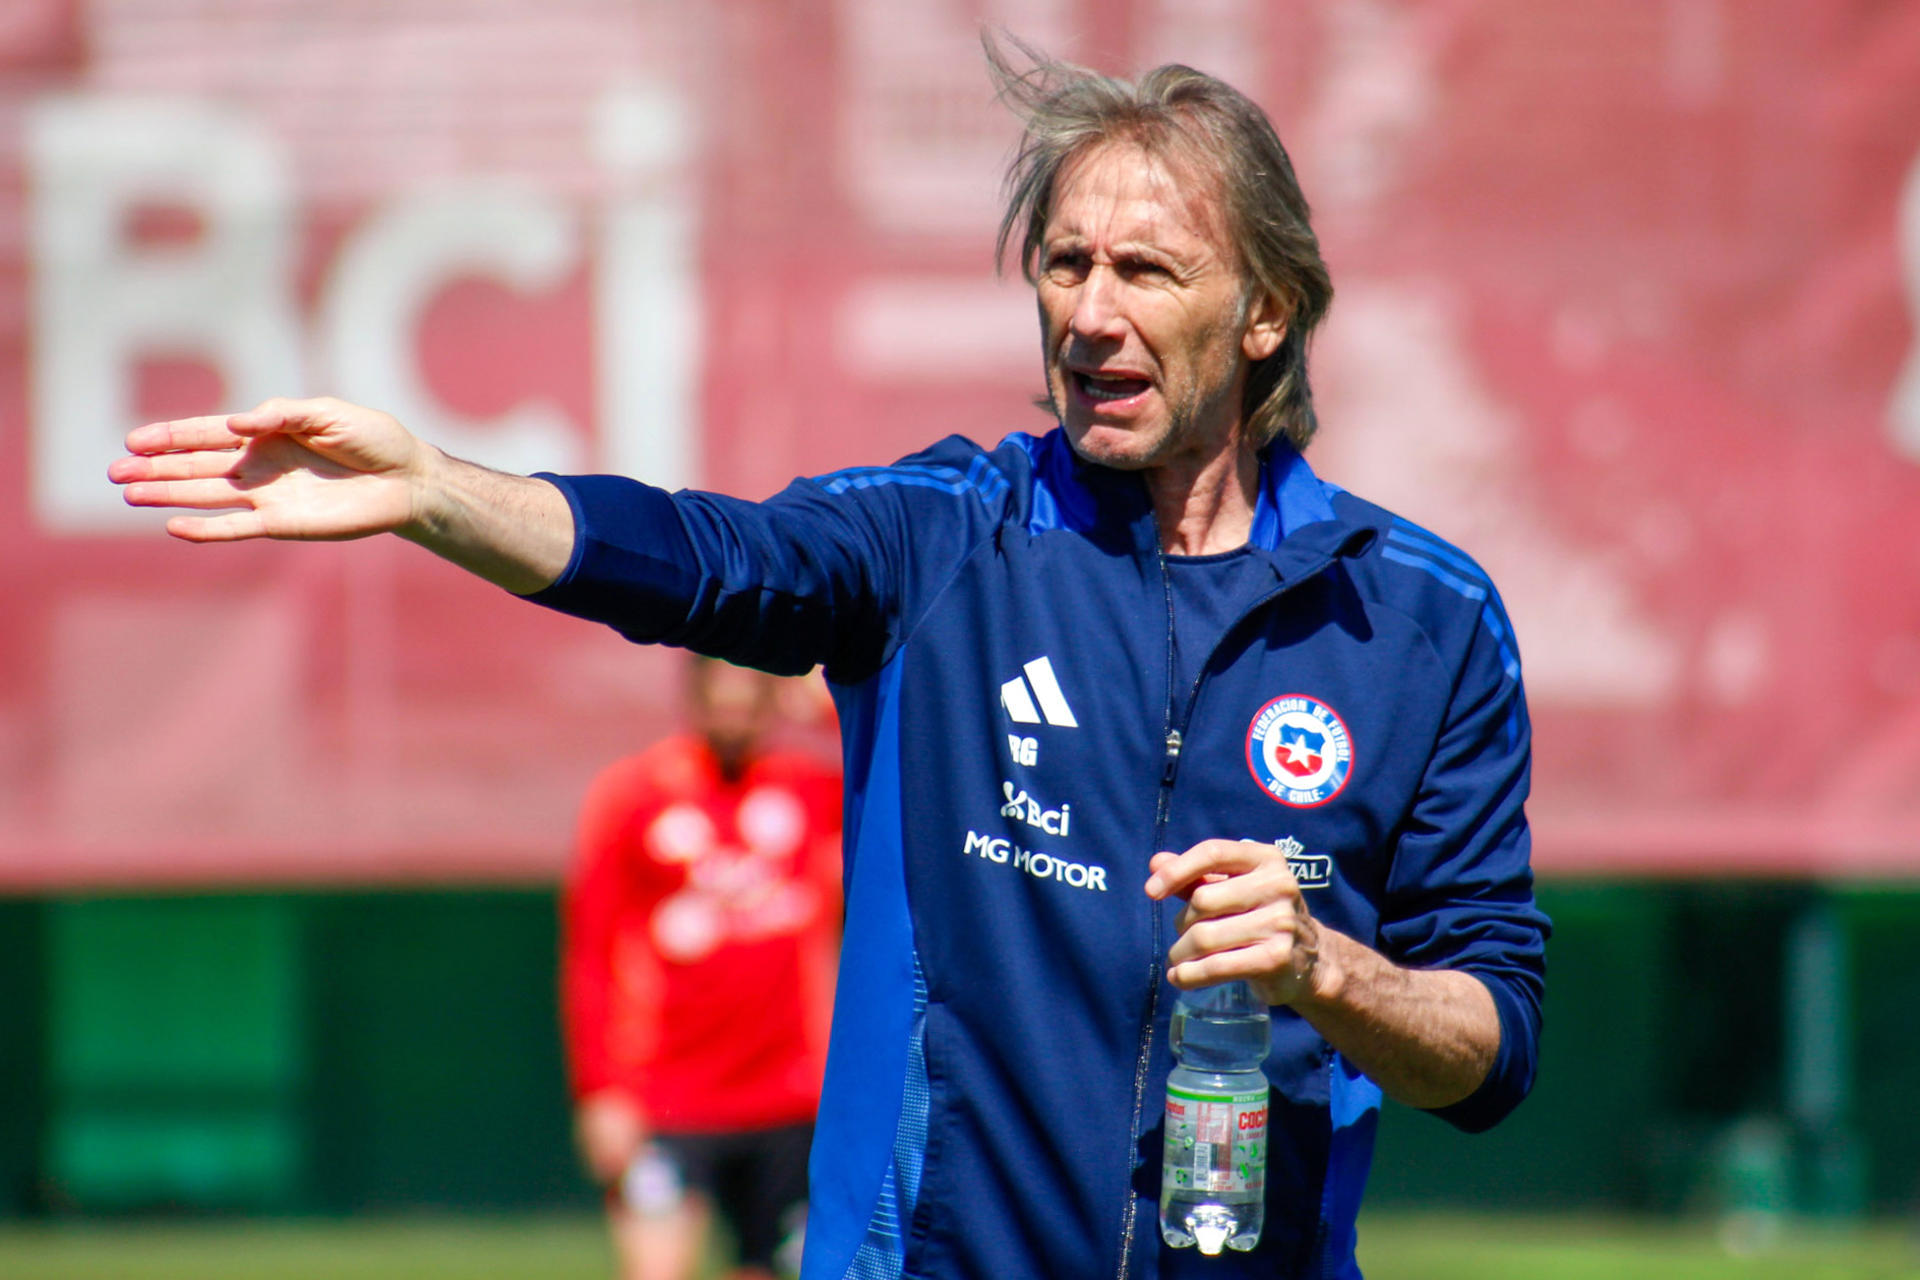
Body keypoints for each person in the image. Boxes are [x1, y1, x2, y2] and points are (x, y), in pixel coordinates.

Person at [109, 39, 1549, 1280]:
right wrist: (441, 493)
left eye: (1147, 270)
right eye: (1064, 262)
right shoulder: (947, 541)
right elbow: (703, 558)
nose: (1090, 312)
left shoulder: (1420, 619)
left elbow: (1493, 1046)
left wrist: (1327, 973)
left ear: (1267, 312)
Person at [563, 655, 842, 1280]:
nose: (735, 719)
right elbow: (592, 953)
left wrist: (825, 711)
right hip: (669, 1095)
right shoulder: (636, 797)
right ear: (694, 700)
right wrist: (601, 1088)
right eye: (722, 701)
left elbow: (903, 774)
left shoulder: (812, 790)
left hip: (788, 1095)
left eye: (751, 703)